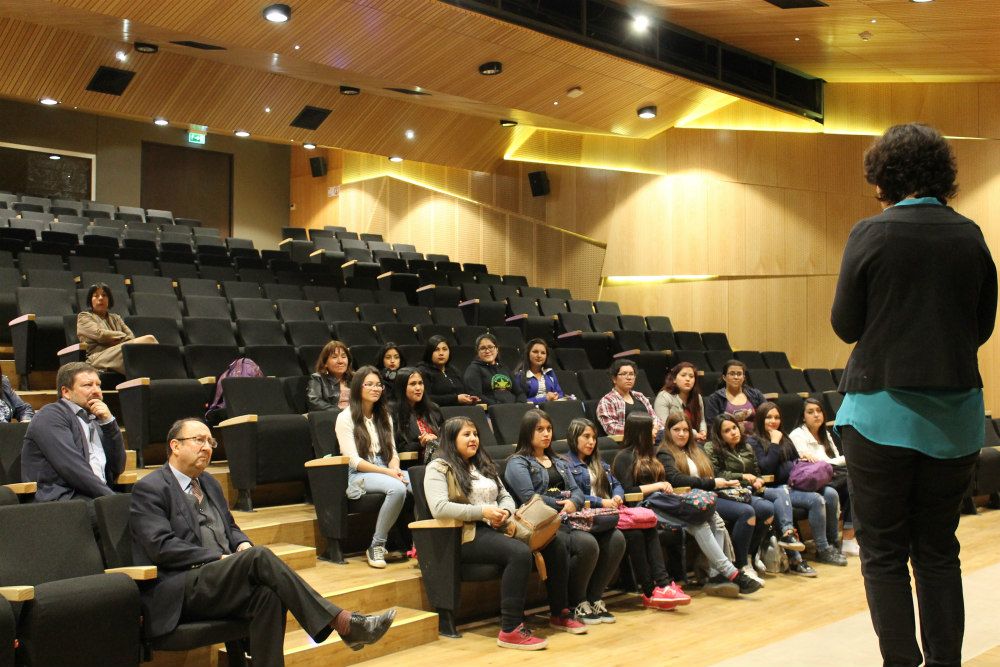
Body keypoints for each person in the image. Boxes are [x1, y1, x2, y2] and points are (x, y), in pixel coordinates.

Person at [831, 123, 997, 667]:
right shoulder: (970, 234)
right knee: (938, 551)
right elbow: (980, 326)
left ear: (884, 177)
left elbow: (845, 324)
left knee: (882, 554)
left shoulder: (870, 233)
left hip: (878, 414)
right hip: (954, 421)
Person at [129, 417, 395, 666]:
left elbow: (230, 528)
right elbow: (161, 546)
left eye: (210, 442)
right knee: (259, 556)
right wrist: (219, 558)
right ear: (175, 446)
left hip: (220, 579)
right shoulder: (151, 488)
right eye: (199, 440)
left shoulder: (209, 483)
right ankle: (342, 622)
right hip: (182, 587)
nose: (207, 447)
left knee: (268, 595)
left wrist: (241, 544)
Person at [423, 416, 552, 650]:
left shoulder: (482, 463)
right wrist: (483, 512)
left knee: (555, 541)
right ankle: (511, 629)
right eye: (466, 434)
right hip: (464, 535)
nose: (474, 439)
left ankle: (563, 610)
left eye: (475, 434)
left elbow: (505, 497)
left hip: (497, 526)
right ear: (451, 439)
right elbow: (439, 508)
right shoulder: (438, 467)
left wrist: (504, 511)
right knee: (520, 553)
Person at [613, 412, 759, 598]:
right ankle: (732, 574)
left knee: (708, 518)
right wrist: (657, 485)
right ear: (640, 431)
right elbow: (628, 492)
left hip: (663, 503)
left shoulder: (651, 453)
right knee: (698, 523)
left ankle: (719, 575)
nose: (655, 430)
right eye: (651, 427)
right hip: (642, 509)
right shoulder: (624, 457)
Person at [564, 417, 687, 611]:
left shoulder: (598, 462)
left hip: (609, 513)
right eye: (586, 436)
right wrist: (601, 501)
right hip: (586, 517)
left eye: (594, 437)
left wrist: (617, 496)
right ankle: (649, 592)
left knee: (647, 525)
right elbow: (574, 495)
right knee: (635, 533)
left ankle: (661, 586)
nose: (591, 442)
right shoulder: (566, 464)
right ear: (573, 437)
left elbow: (618, 485)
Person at [502, 409, 591, 634]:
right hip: (539, 524)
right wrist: (564, 502)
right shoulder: (518, 462)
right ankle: (560, 611)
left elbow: (577, 492)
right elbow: (530, 498)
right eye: (540, 429)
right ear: (527, 432)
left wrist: (574, 502)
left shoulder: (558, 460)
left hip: (567, 518)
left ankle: (586, 601)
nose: (546, 434)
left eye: (549, 429)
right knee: (562, 544)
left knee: (607, 539)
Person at [750, 402, 846, 567]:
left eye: (777, 417)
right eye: (769, 417)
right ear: (760, 419)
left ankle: (832, 544)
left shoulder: (784, 437)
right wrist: (773, 443)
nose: (774, 421)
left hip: (795, 484)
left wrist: (803, 458)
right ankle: (823, 549)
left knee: (831, 493)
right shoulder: (754, 441)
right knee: (816, 500)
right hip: (776, 489)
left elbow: (793, 462)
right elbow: (766, 468)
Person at [335, 365, 411, 569]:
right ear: (358, 387)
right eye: (369, 384)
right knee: (397, 488)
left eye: (378, 385)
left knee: (421, 483)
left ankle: (419, 541)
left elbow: (393, 452)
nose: (375, 388)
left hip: (386, 467)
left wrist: (394, 468)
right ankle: (376, 545)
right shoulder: (345, 417)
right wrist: (389, 472)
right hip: (359, 473)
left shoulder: (384, 415)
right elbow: (353, 460)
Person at [21, 362, 125, 502]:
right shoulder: (51, 416)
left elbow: (118, 467)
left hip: (94, 496)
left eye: (98, 385)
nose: (96, 391)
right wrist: (113, 501)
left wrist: (109, 422)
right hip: (63, 500)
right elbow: (73, 469)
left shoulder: (97, 418)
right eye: (88, 385)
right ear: (66, 392)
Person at [704, 413, 779, 583]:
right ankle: (741, 564)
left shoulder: (746, 447)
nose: (733, 432)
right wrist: (743, 476)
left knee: (768, 509)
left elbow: (755, 471)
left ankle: (751, 555)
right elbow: (716, 474)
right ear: (719, 434)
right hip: (721, 493)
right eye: (727, 430)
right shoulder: (710, 447)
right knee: (747, 512)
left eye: (734, 428)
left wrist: (758, 479)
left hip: (742, 492)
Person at [789, 398, 856, 556]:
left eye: (819, 411)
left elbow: (831, 461)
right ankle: (841, 540)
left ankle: (848, 538)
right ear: (803, 416)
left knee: (854, 484)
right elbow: (810, 466)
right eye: (811, 412)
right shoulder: (797, 435)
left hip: (832, 475)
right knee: (850, 482)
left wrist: (833, 462)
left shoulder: (825, 433)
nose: (816, 415)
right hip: (811, 481)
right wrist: (836, 461)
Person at [77, 282, 158, 374]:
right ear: (90, 300)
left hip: (118, 351)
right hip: (97, 357)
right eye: (96, 296)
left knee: (147, 346)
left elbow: (131, 337)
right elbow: (100, 334)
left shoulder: (116, 317)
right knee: (149, 340)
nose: (100, 298)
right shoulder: (84, 316)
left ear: (109, 299)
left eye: (104, 295)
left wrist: (113, 339)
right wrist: (121, 336)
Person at [595, 359, 661, 437]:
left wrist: (655, 429)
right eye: (624, 374)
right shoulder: (607, 401)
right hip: (628, 442)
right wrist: (644, 431)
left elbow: (655, 418)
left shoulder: (640, 396)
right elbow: (612, 429)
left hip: (651, 437)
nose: (629, 377)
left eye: (631, 374)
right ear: (614, 379)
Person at [392, 366, 443, 462]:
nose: (418, 388)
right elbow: (396, 449)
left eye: (420, 383)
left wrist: (436, 440)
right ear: (402, 387)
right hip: (412, 465)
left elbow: (446, 438)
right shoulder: (393, 412)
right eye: (412, 384)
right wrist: (421, 443)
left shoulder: (433, 409)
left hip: (440, 459)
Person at [704, 360, 764, 434]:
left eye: (739, 374)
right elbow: (712, 426)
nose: (736, 377)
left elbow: (767, 415)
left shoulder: (756, 394)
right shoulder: (715, 398)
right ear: (724, 377)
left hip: (756, 438)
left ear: (744, 377)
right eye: (732, 374)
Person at [464, 333, 524, 405]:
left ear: (497, 349)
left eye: (490, 347)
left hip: (512, 408)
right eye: (483, 348)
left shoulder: (504, 368)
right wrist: (498, 407)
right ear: (478, 351)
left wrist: (520, 404)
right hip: (491, 411)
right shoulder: (473, 369)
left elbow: (519, 392)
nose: (487, 351)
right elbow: (477, 396)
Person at [418, 335, 479, 406]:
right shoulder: (422, 371)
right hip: (437, 412)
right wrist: (456, 399)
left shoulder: (454, 370)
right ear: (429, 352)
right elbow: (425, 398)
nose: (441, 353)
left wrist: (469, 398)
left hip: (460, 411)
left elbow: (463, 392)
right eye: (436, 349)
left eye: (444, 349)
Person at [653, 362, 706, 442]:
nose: (688, 379)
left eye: (691, 376)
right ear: (674, 379)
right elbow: (666, 425)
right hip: (671, 441)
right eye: (683, 375)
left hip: (694, 441)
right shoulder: (664, 396)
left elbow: (702, 420)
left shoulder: (697, 397)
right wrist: (695, 434)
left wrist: (703, 431)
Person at [513, 338, 565, 404]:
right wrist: (545, 398)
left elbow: (560, 394)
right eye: (535, 352)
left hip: (551, 408)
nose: (539, 356)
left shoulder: (549, 372)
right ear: (528, 353)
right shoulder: (519, 376)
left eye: (543, 353)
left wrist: (555, 396)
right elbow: (520, 401)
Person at [307, 341, 353, 412]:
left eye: (343, 356)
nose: (340, 361)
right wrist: (342, 413)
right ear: (325, 363)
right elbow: (314, 401)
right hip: (332, 417)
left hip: (357, 417)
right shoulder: (318, 378)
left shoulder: (356, 377)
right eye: (334, 357)